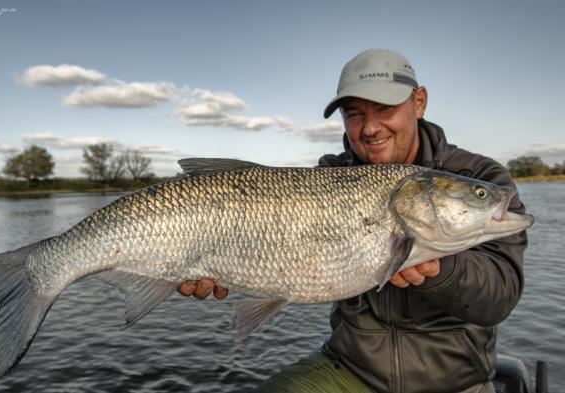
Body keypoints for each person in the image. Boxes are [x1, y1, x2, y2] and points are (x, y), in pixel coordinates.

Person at [178, 49, 528, 393]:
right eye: (355, 114)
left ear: (418, 102)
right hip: (351, 370)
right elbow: (274, 246)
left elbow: (501, 295)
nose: (371, 128)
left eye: (385, 108)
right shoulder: (328, 177)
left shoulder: (477, 176)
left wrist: (441, 271)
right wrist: (216, 257)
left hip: (455, 382)